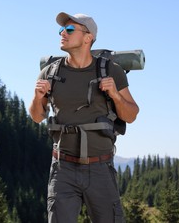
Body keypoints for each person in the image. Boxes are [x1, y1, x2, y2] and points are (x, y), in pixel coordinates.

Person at [29, 12, 139, 223]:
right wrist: (37, 97)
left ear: (88, 37)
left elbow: (131, 115)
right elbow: (36, 117)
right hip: (62, 169)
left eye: (69, 30)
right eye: (61, 30)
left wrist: (115, 94)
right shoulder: (49, 73)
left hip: (100, 168)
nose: (63, 33)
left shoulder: (111, 71)